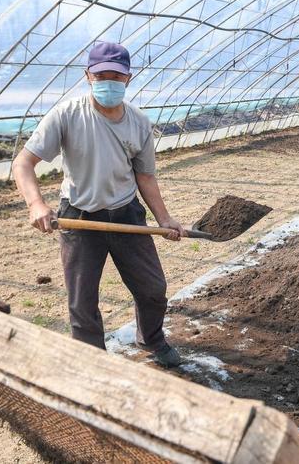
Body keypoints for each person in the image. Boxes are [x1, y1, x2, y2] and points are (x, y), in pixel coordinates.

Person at [12, 42, 184, 367]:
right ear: (88, 76)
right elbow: (23, 163)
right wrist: (36, 203)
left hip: (127, 215)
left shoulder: (139, 123)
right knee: (82, 301)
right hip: (79, 218)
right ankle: (93, 362)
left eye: (115, 77)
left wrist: (165, 218)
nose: (108, 82)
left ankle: (152, 339)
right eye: (101, 75)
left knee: (152, 289)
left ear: (128, 79)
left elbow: (145, 177)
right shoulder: (66, 115)